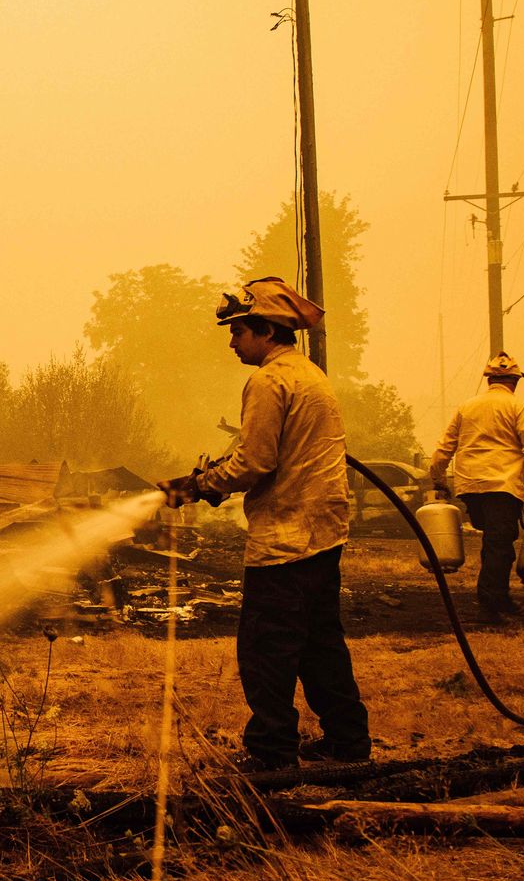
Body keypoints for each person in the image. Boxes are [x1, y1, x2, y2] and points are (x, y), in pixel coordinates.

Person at [157, 277, 369, 770]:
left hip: (286, 536)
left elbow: (255, 462)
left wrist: (200, 485)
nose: (232, 343)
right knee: (320, 645)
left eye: (238, 332)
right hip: (323, 532)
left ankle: (272, 755)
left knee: (265, 649)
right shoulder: (310, 375)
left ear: (266, 331)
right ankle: (348, 744)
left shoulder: (270, 381)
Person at [428, 353, 524, 621]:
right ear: (515, 381)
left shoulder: (466, 408)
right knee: (500, 545)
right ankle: (492, 601)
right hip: (502, 485)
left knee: (494, 541)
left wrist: (438, 479)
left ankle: (497, 597)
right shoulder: (519, 408)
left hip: (470, 486)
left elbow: (444, 447)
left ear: (489, 380)